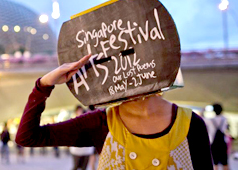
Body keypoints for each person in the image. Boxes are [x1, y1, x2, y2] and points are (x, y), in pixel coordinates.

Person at [15, 54, 213, 169]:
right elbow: (27, 137)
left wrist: (43, 86)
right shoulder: (100, 122)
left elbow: (28, 138)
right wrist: (44, 84)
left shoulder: (190, 124)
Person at [70, 106, 94, 170]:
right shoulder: (73, 120)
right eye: (78, 110)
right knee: (76, 166)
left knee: (84, 167)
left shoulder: (87, 120)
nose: (80, 112)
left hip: (87, 149)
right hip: (76, 150)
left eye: (81, 110)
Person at [209, 103, 229, 170]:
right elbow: (226, 130)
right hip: (222, 142)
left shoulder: (210, 120)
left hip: (214, 143)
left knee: (215, 163)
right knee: (225, 162)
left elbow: (210, 132)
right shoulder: (225, 119)